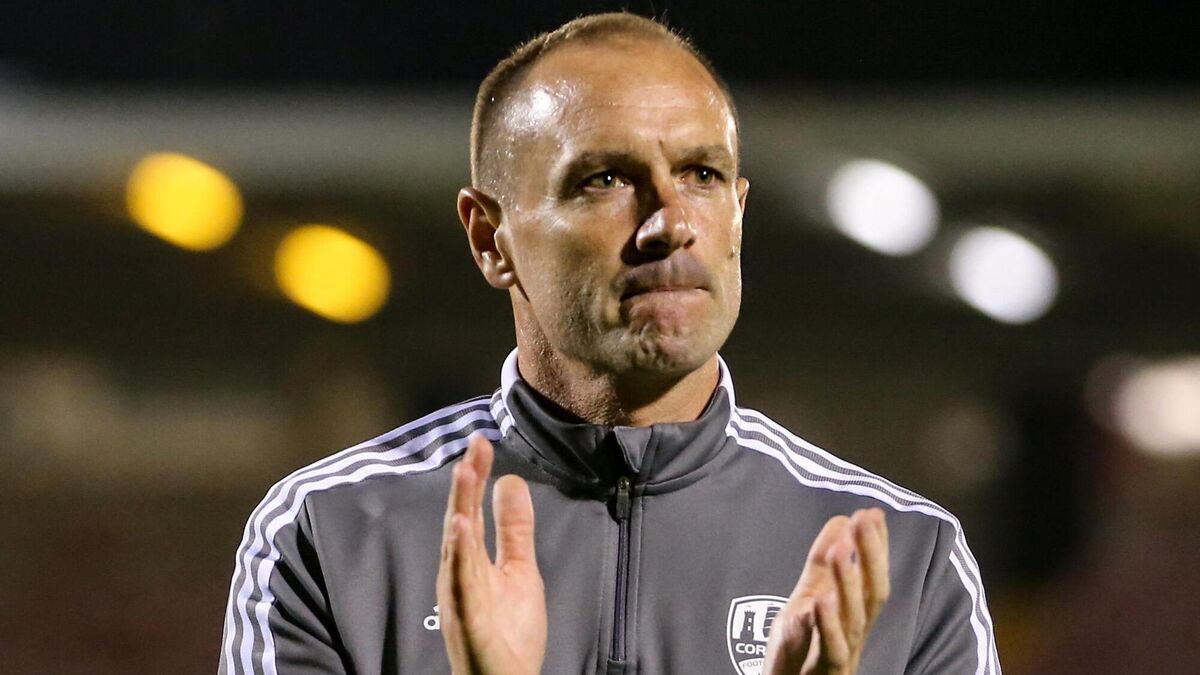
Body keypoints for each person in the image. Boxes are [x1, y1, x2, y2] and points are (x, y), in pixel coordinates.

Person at [219, 12, 1000, 675]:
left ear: (739, 213)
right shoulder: (332, 534)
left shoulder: (908, 559)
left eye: (701, 173)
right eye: (605, 179)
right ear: (490, 239)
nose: (671, 222)